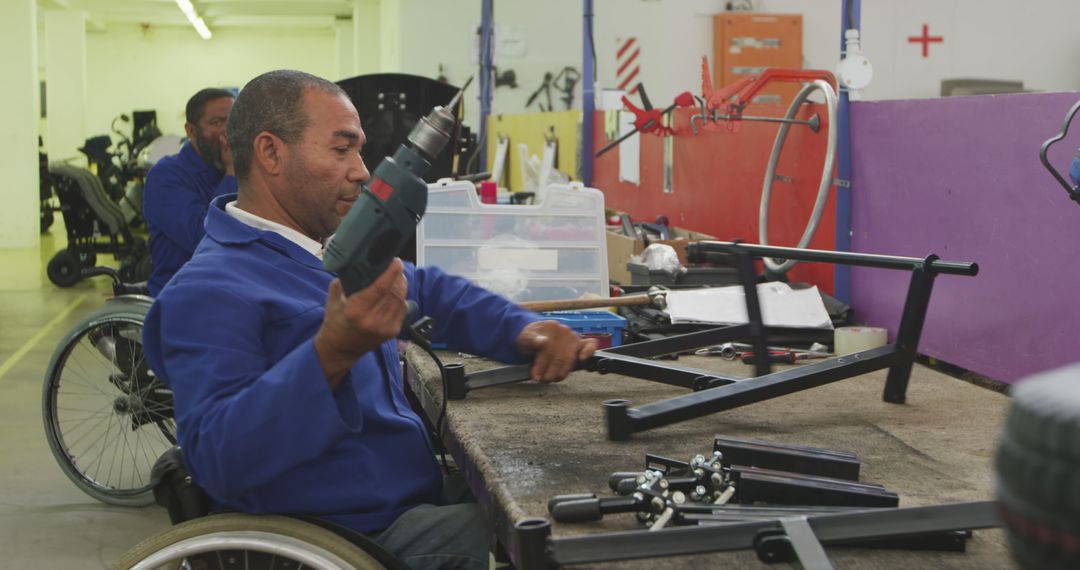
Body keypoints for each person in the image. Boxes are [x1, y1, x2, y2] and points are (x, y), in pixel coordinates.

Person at [141, 69, 597, 569]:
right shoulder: (208, 291)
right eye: (341, 150)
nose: (361, 170)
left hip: (400, 494)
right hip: (350, 534)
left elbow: (428, 289)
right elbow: (220, 461)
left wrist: (520, 329)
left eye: (358, 150)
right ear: (270, 153)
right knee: (553, 540)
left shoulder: (321, 252)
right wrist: (332, 352)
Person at [143, 88, 238, 295]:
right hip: (183, 293)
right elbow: (205, 237)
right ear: (192, 131)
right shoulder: (166, 176)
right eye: (216, 122)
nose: (227, 131)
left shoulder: (243, 169)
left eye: (233, 121)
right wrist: (232, 173)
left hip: (235, 285)